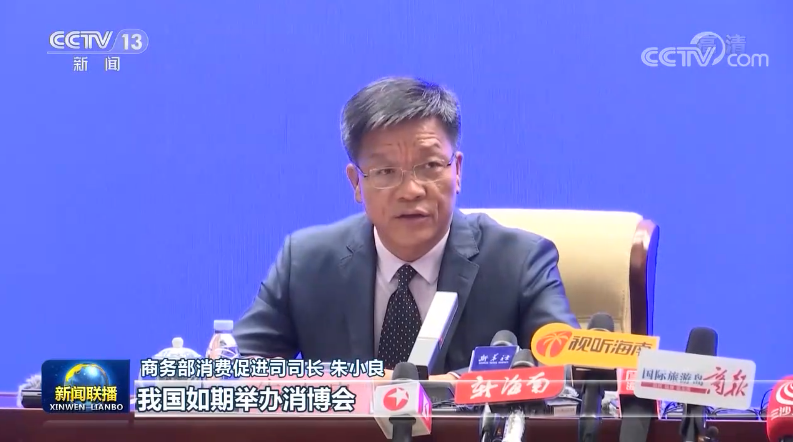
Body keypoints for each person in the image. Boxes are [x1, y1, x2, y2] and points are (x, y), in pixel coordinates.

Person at [233, 76, 578, 380]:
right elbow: (238, 366)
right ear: (356, 183)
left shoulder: (520, 261)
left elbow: (565, 369)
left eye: (430, 166)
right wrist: (360, 382)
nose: (411, 191)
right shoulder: (305, 262)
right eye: (385, 172)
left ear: (457, 171)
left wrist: (442, 388)